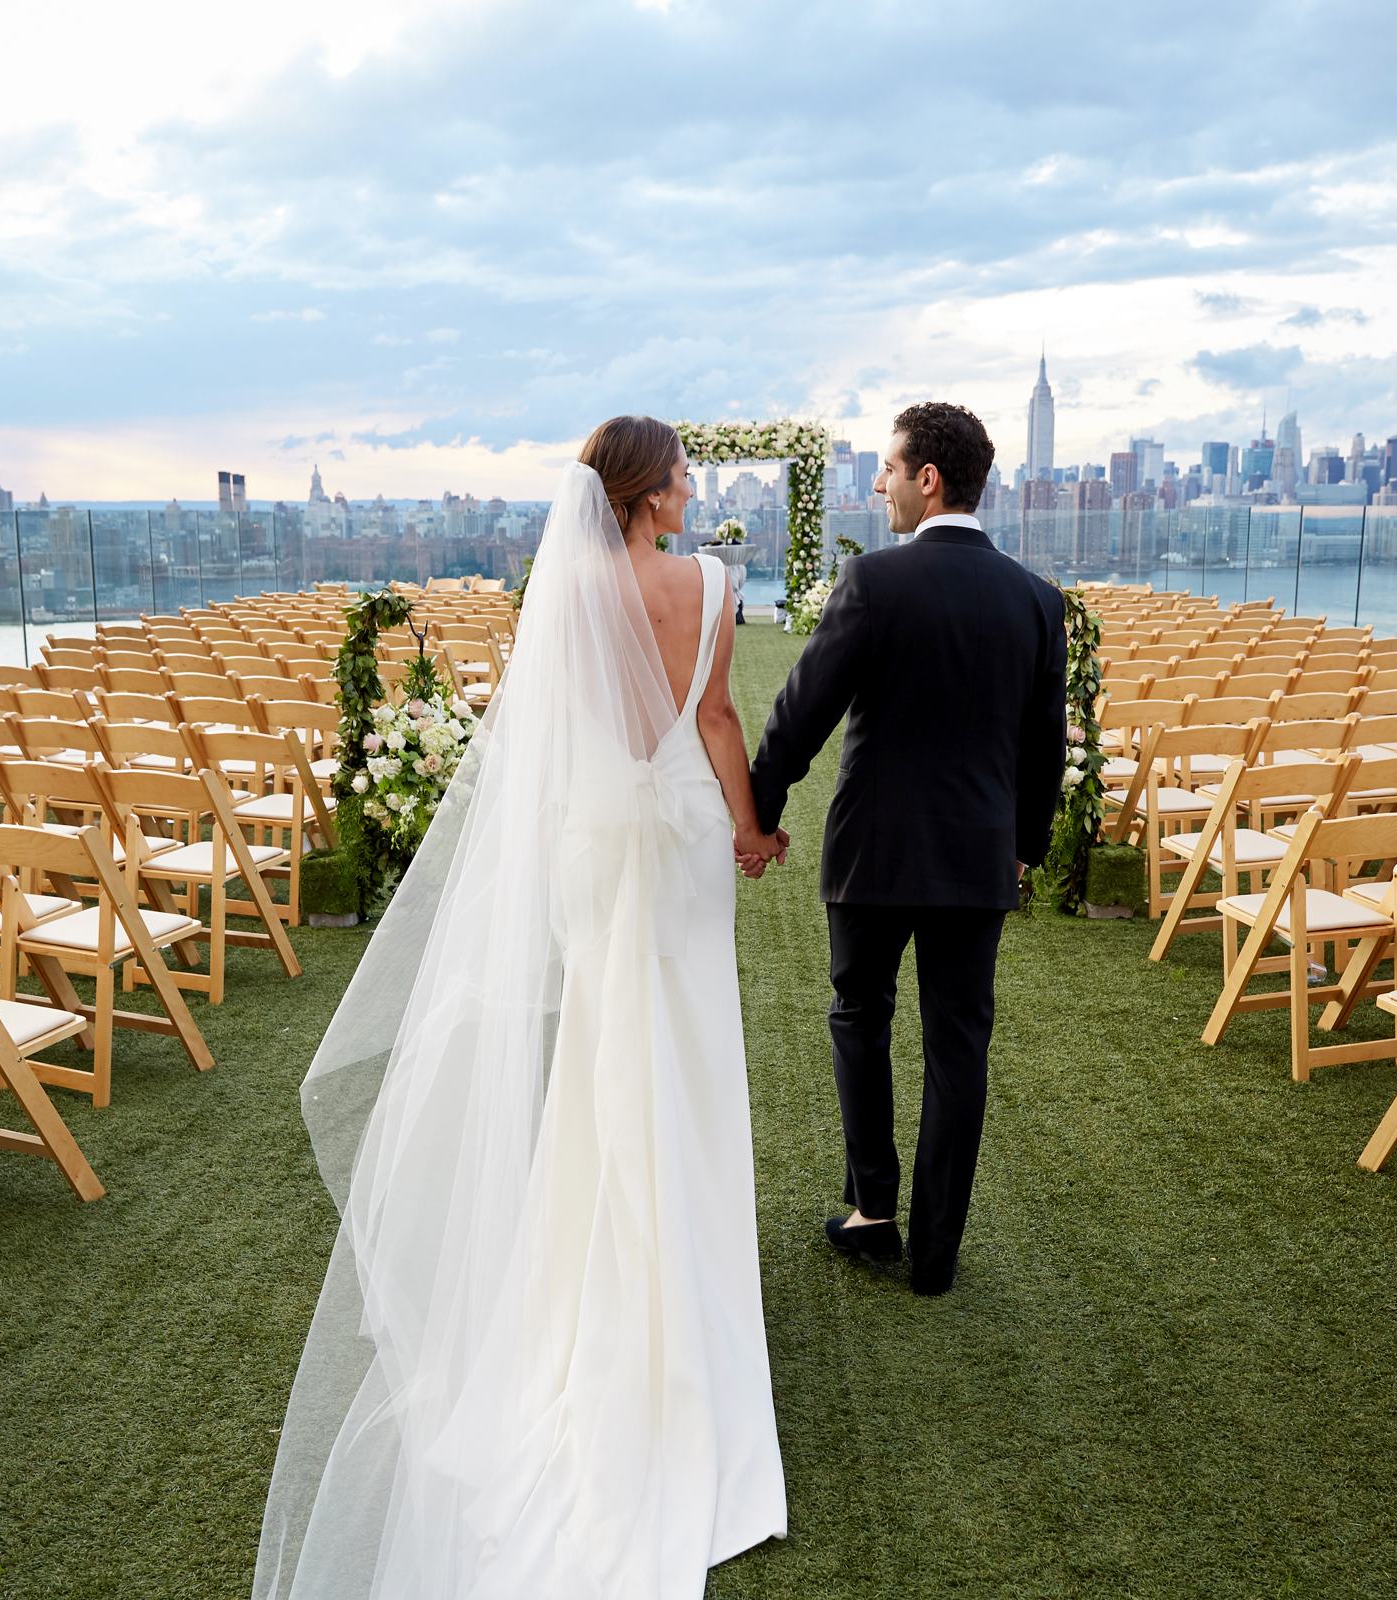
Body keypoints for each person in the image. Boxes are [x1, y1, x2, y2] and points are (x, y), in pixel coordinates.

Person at [253, 416, 787, 1599]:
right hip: (687, 837)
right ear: (648, 492)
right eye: (683, 474)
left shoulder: (566, 595)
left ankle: (602, 1285)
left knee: (608, 1057)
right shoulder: (712, 583)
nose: (695, 487)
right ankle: (687, 1304)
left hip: (599, 837)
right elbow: (714, 721)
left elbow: (550, 741)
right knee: (692, 1058)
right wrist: (750, 830)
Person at [745, 400, 1067, 1297]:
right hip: (977, 859)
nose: (879, 482)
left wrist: (760, 813)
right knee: (959, 1046)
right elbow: (1048, 745)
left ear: (929, 478)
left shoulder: (874, 583)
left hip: (873, 855)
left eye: (888, 467)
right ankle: (936, 1256)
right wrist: (1024, 848)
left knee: (860, 1014)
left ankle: (872, 1210)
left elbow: (798, 714)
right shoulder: (1039, 601)